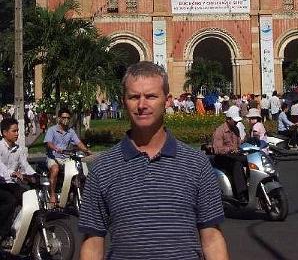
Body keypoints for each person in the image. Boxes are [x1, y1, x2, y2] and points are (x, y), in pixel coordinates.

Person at [79, 62, 229, 260]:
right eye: (134, 97)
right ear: (124, 101)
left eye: (150, 96)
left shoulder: (197, 164)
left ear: (167, 101)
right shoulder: (103, 168)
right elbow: (93, 242)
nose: (142, 105)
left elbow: (211, 238)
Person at [0, 117, 36, 244]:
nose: (17, 134)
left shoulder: (19, 149)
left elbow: (25, 165)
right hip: (2, 184)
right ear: (4, 133)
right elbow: (2, 168)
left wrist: (34, 175)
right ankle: (3, 234)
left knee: (30, 197)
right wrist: (13, 173)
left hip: (11, 184)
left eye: (17, 131)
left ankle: (23, 231)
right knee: (10, 200)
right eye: (14, 131)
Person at [44, 108, 91, 206]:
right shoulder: (52, 130)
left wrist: (87, 151)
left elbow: (78, 143)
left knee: (78, 170)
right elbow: (48, 143)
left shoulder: (71, 131)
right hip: (53, 157)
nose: (66, 119)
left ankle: (73, 192)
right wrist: (55, 148)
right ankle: (52, 195)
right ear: (59, 118)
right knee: (55, 170)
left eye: (68, 118)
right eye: (64, 117)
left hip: (66, 158)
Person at [212, 106, 248, 206]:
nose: (236, 122)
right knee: (237, 164)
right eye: (234, 120)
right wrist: (230, 149)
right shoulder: (220, 131)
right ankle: (241, 193)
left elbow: (239, 144)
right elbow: (217, 149)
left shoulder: (236, 129)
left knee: (248, 160)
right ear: (228, 119)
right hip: (222, 157)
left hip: (234, 155)